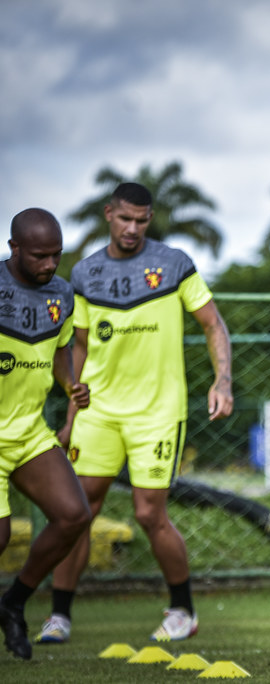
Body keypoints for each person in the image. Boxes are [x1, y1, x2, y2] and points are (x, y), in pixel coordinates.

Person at [37, 182, 234, 644]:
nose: (132, 228)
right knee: (77, 513)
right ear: (109, 214)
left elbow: (213, 324)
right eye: (125, 219)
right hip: (97, 413)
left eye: (141, 221)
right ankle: (59, 616)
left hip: (157, 413)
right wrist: (70, 415)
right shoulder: (84, 274)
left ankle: (182, 610)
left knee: (149, 514)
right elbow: (79, 346)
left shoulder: (174, 264)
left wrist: (222, 380)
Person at [0, 209, 92, 661]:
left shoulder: (62, 294)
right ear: (14, 248)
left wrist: (71, 385)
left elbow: (59, 352)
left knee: (74, 516)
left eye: (56, 255)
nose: (49, 265)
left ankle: (13, 604)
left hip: (28, 431)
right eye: (39, 256)